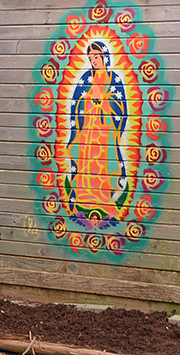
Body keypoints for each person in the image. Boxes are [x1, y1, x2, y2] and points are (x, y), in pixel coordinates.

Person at [65, 40, 128, 229]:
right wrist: (89, 101)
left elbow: (121, 107)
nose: (93, 60)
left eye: (96, 56)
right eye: (90, 57)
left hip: (106, 133)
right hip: (87, 132)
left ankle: (103, 199)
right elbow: (76, 104)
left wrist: (103, 100)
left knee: (105, 165)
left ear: (104, 57)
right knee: (86, 165)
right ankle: (84, 198)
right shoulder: (85, 78)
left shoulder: (113, 78)